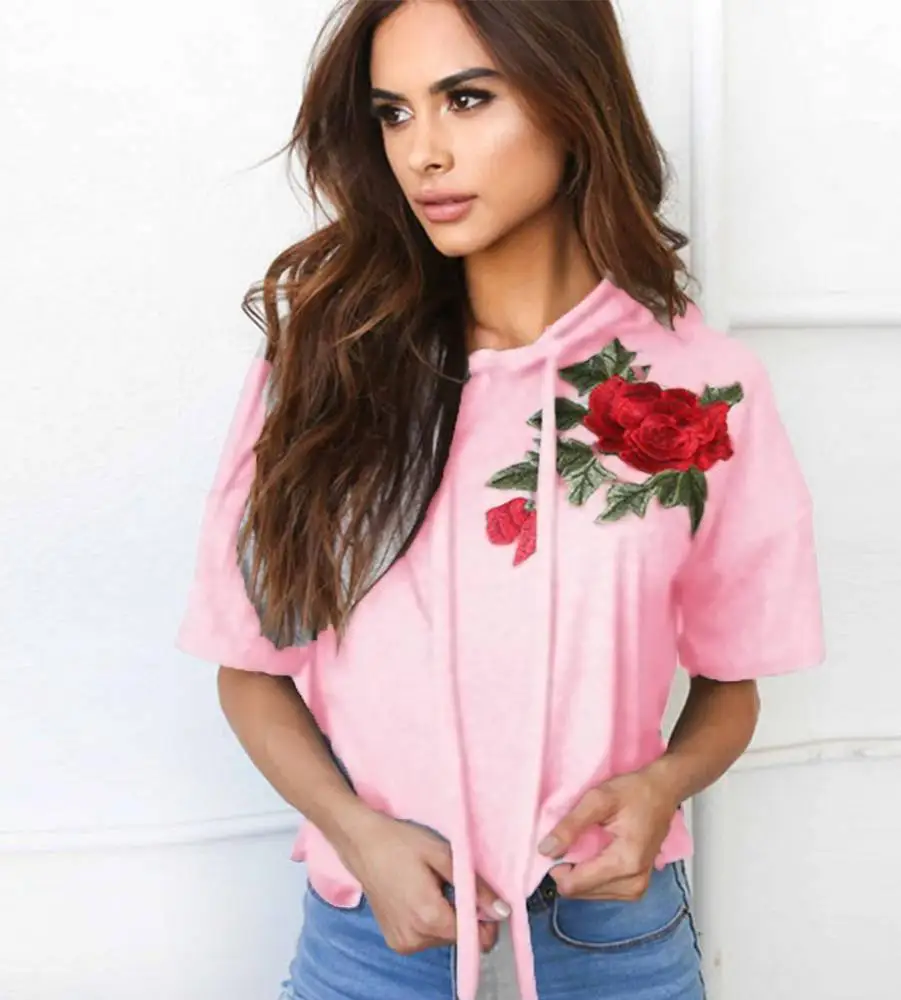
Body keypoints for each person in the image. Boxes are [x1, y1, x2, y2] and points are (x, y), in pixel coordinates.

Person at [174, 1, 826, 998]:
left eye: (466, 100)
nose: (422, 152)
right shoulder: (325, 373)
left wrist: (663, 784)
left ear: (571, 100)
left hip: (616, 942)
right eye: (394, 114)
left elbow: (731, 682)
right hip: (374, 943)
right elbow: (250, 670)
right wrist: (358, 833)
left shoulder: (702, 391)